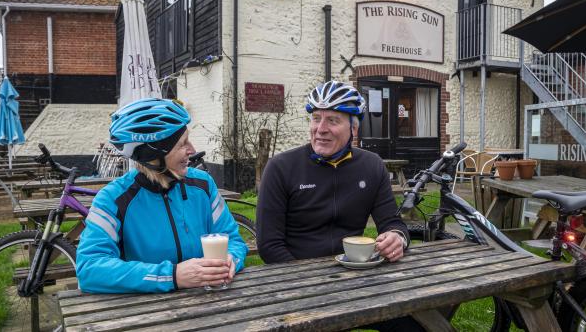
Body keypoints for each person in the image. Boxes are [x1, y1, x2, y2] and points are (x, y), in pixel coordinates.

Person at [256, 81, 422, 331]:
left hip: (356, 278)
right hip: (295, 283)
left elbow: (393, 223)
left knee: (416, 324)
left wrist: (397, 238)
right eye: (316, 118)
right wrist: (310, 285)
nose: (320, 129)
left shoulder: (372, 165)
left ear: (354, 128)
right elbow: (269, 245)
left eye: (332, 120)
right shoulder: (281, 167)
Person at [76, 98, 248, 293]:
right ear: (154, 155)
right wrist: (173, 276)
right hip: (145, 316)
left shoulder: (204, 184)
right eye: (182, 144)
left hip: (210, 305)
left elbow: (233, 240)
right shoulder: (113, 199)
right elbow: (89, 270)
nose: (191, 151)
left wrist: (231, 259)